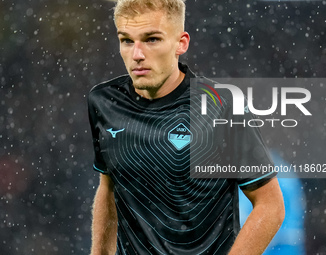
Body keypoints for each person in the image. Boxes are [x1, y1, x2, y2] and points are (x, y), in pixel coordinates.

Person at [88, 0, 285, 254]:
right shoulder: (104, 102)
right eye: (126, 40)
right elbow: (108, 187)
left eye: (151, 40)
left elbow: (270, 205)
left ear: (181, 43)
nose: (137, 54)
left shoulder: (221, 105)